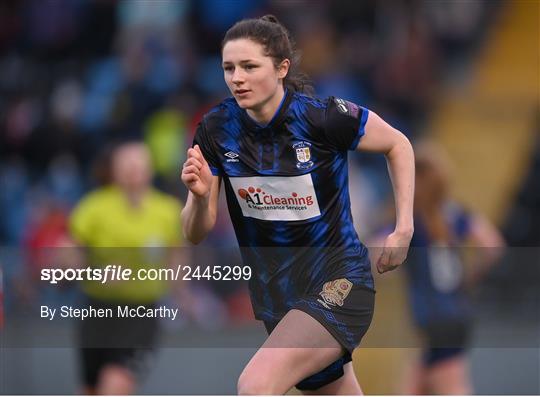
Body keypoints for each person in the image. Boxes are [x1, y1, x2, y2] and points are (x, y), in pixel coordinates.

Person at [181, 15, 415, 395]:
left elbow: (398, 144)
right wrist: (198, 194)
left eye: (249, 66)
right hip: (280, 300)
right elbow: (195, 232)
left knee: (255, 385)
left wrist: (403, 228)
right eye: (229, 68)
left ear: (281, 67)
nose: (237, 77)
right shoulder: (215, 129)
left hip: (340, 282)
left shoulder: (322, 117)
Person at [70, 141, 183, 395]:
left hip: (141, 313)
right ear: (114, 170)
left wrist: (182, 294)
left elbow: (178, 258)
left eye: (139, 163)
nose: (133, 169)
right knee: (90, 388)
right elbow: (69, 257)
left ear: (150, 169)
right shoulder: (93, 207)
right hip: (97, 310)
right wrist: (96, 272)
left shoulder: (167, 211)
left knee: (116, 383)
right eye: (126, 164)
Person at [402, 142, 504, 395]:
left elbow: (377, 248)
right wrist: (468, 277)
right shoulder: (457, 214)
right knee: (415, 385)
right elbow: (492, 245)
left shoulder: (412, 220)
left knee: (451, 386)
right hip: (456, 311)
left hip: (435, 315)